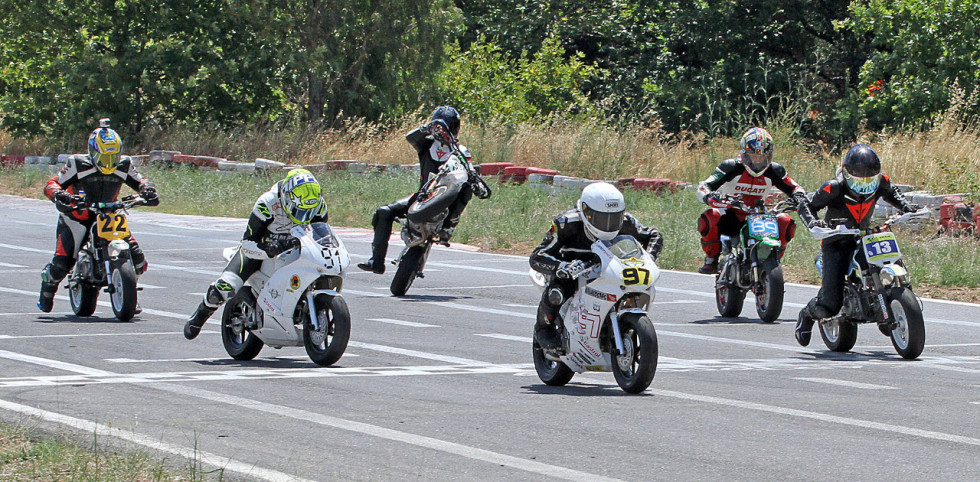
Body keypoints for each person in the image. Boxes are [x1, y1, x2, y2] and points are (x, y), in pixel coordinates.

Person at [793, 143, 921, 346]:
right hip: (836, 241)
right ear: (847, 173)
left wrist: (906, 206)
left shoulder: (882, 182)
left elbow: (892, 193)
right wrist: (813, 223)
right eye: (858, 181)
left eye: (869, 181)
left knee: (886, 259)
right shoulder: (833, 187)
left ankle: (889, 302)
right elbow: (805, 205)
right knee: (830, 305)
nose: (864, 186)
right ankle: (807, 315)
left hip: (864, 237)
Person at [183, 168, 328, 340]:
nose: (304, 217)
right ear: (288, 198)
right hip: (260, 251)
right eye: (300, 211)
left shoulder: (318, 205)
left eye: (308, 213)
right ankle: (201, 314)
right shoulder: (267, 203)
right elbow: (247, 242)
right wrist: (269, 248)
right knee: (224, 287)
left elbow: (322, 235)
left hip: (296, 250)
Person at [38, 119, 160, 312]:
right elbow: (52, 183)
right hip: (77, 216)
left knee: (138, 260)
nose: (109, 162)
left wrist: (148, 190)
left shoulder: (125, 164)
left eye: (113, 156)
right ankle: (47, 289)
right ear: (93, 151)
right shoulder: (76, 163)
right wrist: (59, 195)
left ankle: (129, 291)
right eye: (104, 156)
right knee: (62, 263)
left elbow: (142, 181)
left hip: (109, 215)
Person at [529, 182, 664, 350]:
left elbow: (654, 235)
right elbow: (537, 255)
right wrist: (561, 266)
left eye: (614, 218)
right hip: (574, 273)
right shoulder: (566, 223)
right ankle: (543, 328)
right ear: (586, 212)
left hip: (610, 269)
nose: (609, 224)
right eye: (602, 218)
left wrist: (649, 257)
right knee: (557, 292)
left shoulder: (626, 221)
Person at [357, 106, 472, 274]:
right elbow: (411, 138)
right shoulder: (427, 145)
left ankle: (449, 225)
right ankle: (376, 260)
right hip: (422, 196)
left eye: (449, 124)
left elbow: (469, 169)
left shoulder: (461, 151)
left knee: (468, 187)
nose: (445, 128)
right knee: (383, 212)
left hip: (447, 200)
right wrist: (426, 128)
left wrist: (475, 179)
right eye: (440, 124)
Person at [695, 127, 807, 274]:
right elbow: (705, 185)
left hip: (758, 217)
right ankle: (711, 259)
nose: (758, 161)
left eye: (763, 157)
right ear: (744, 153)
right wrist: (709, 197)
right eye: (753, 156)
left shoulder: (775, 170)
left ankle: (772, 263)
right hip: (730, 216)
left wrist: (799, 197)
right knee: (710, 216)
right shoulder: (730, 167)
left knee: (785, 221)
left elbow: (795, 187)